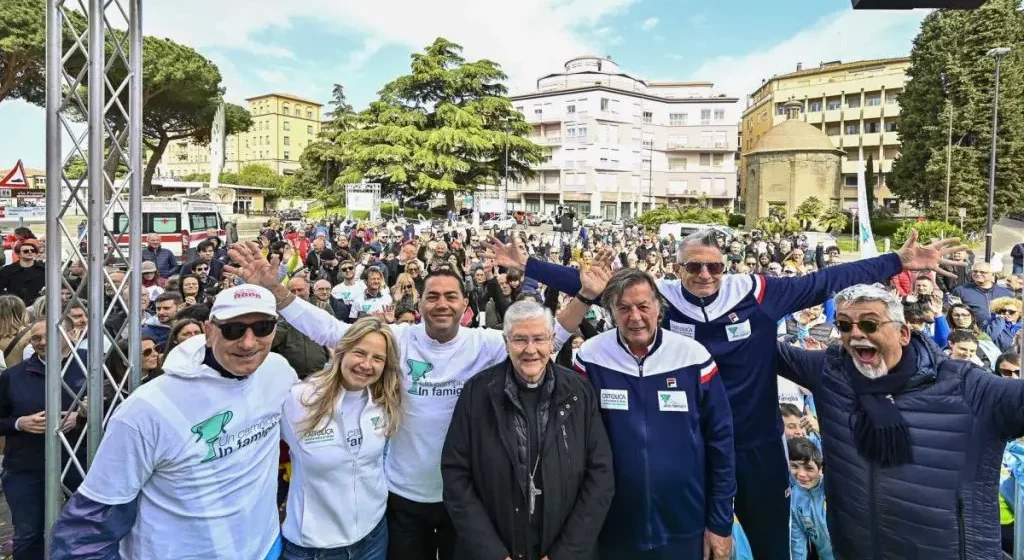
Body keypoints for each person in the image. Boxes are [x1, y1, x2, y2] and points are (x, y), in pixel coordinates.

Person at [490, 228, 963, 560]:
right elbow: (601, 288)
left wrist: (897, 263)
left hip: (755, 442)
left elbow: (825, 281)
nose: (704, 274)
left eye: (714, 266)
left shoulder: (757, 292)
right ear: (678, 267)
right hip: (694, 446)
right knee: (704, 541)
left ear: (726, 266)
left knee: (771, 540)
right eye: (694, 266)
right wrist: (528, 266)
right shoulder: (662, 298)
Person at [225, 240, 594, 560]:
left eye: (451, 297)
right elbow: (330, 330)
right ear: (419, 303)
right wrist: (279, 293)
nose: (442, 304)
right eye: (432, 296)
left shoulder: (485, 344)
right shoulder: (396, 339)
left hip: (465, 500)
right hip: (401, 498)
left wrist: (585, 295)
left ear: (465, 305)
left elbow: (553, 336)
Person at [775, 284, 1024, 560]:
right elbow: (755, 344)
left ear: (903, 333)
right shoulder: (831, 372)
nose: (856, 333)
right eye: (845, 325)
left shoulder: (968, 386)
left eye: (870, 323)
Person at [50, 285, 298, 560]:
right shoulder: (146, 409)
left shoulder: (277, 371)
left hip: (265, 548)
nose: (249, 343)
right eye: (233, 330)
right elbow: (92, 523)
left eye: (263, 327)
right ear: (209, 330)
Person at [571, 268, 735, 559]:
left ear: (659, 308)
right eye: (623, 308)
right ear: (610, 311)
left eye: (643, 306)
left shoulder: (693, 357)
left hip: (685, 526)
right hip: (612, 528)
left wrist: (720, 523)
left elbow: (721, 444)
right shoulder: (591, 357)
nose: (635, 317)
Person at [442, 299, 615, 560]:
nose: (530, 350)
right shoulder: (477, 393)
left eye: (539, 339)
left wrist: (565, 554)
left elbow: (600, 476)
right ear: (506, 341)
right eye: (520, 340)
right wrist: (493, 553)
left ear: (552, 340)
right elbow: (456, 475)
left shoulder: (579, 392)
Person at [280, 317, 403, 560]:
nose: (367, 365)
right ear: (340, 350)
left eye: (378, 358)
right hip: (314, 548)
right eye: (359, 353)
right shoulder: (299, 399)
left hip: (373, 538)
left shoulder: (384, 400)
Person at [0, 318, 84, 560]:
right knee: (29, 534)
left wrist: (82, 416)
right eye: (35, 338)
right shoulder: (14, 376)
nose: (43, 342)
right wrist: (19, 423)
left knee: (83, 530)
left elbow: (114, 410)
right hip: (26, 467)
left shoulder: (92, 366)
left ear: (73, 334)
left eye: (51, 335)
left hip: (80, 463)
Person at [273, 277, 330, 379]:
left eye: (300, 290)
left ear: (308, 289)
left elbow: (333, 336)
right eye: (292, 291)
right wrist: (288, 316)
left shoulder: (321, 307)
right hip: (290, 374)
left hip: (320, 373)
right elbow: (272, 340)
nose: (296, 294)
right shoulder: (278, 311)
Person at [788, 437, 833, 560]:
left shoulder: (831, 489)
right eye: (795, 466)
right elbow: (797, 540)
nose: (801, 474)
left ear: (820, 469)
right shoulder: (794, 499)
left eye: (808, 468)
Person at [0, 240, 46, 305]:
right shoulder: (7, 270)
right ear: (18, 254)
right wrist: (10, 299)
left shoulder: (44, 269)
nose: (30, 252)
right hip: (16, 306)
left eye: (32, 250)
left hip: (39, 306)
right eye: (26, 251)